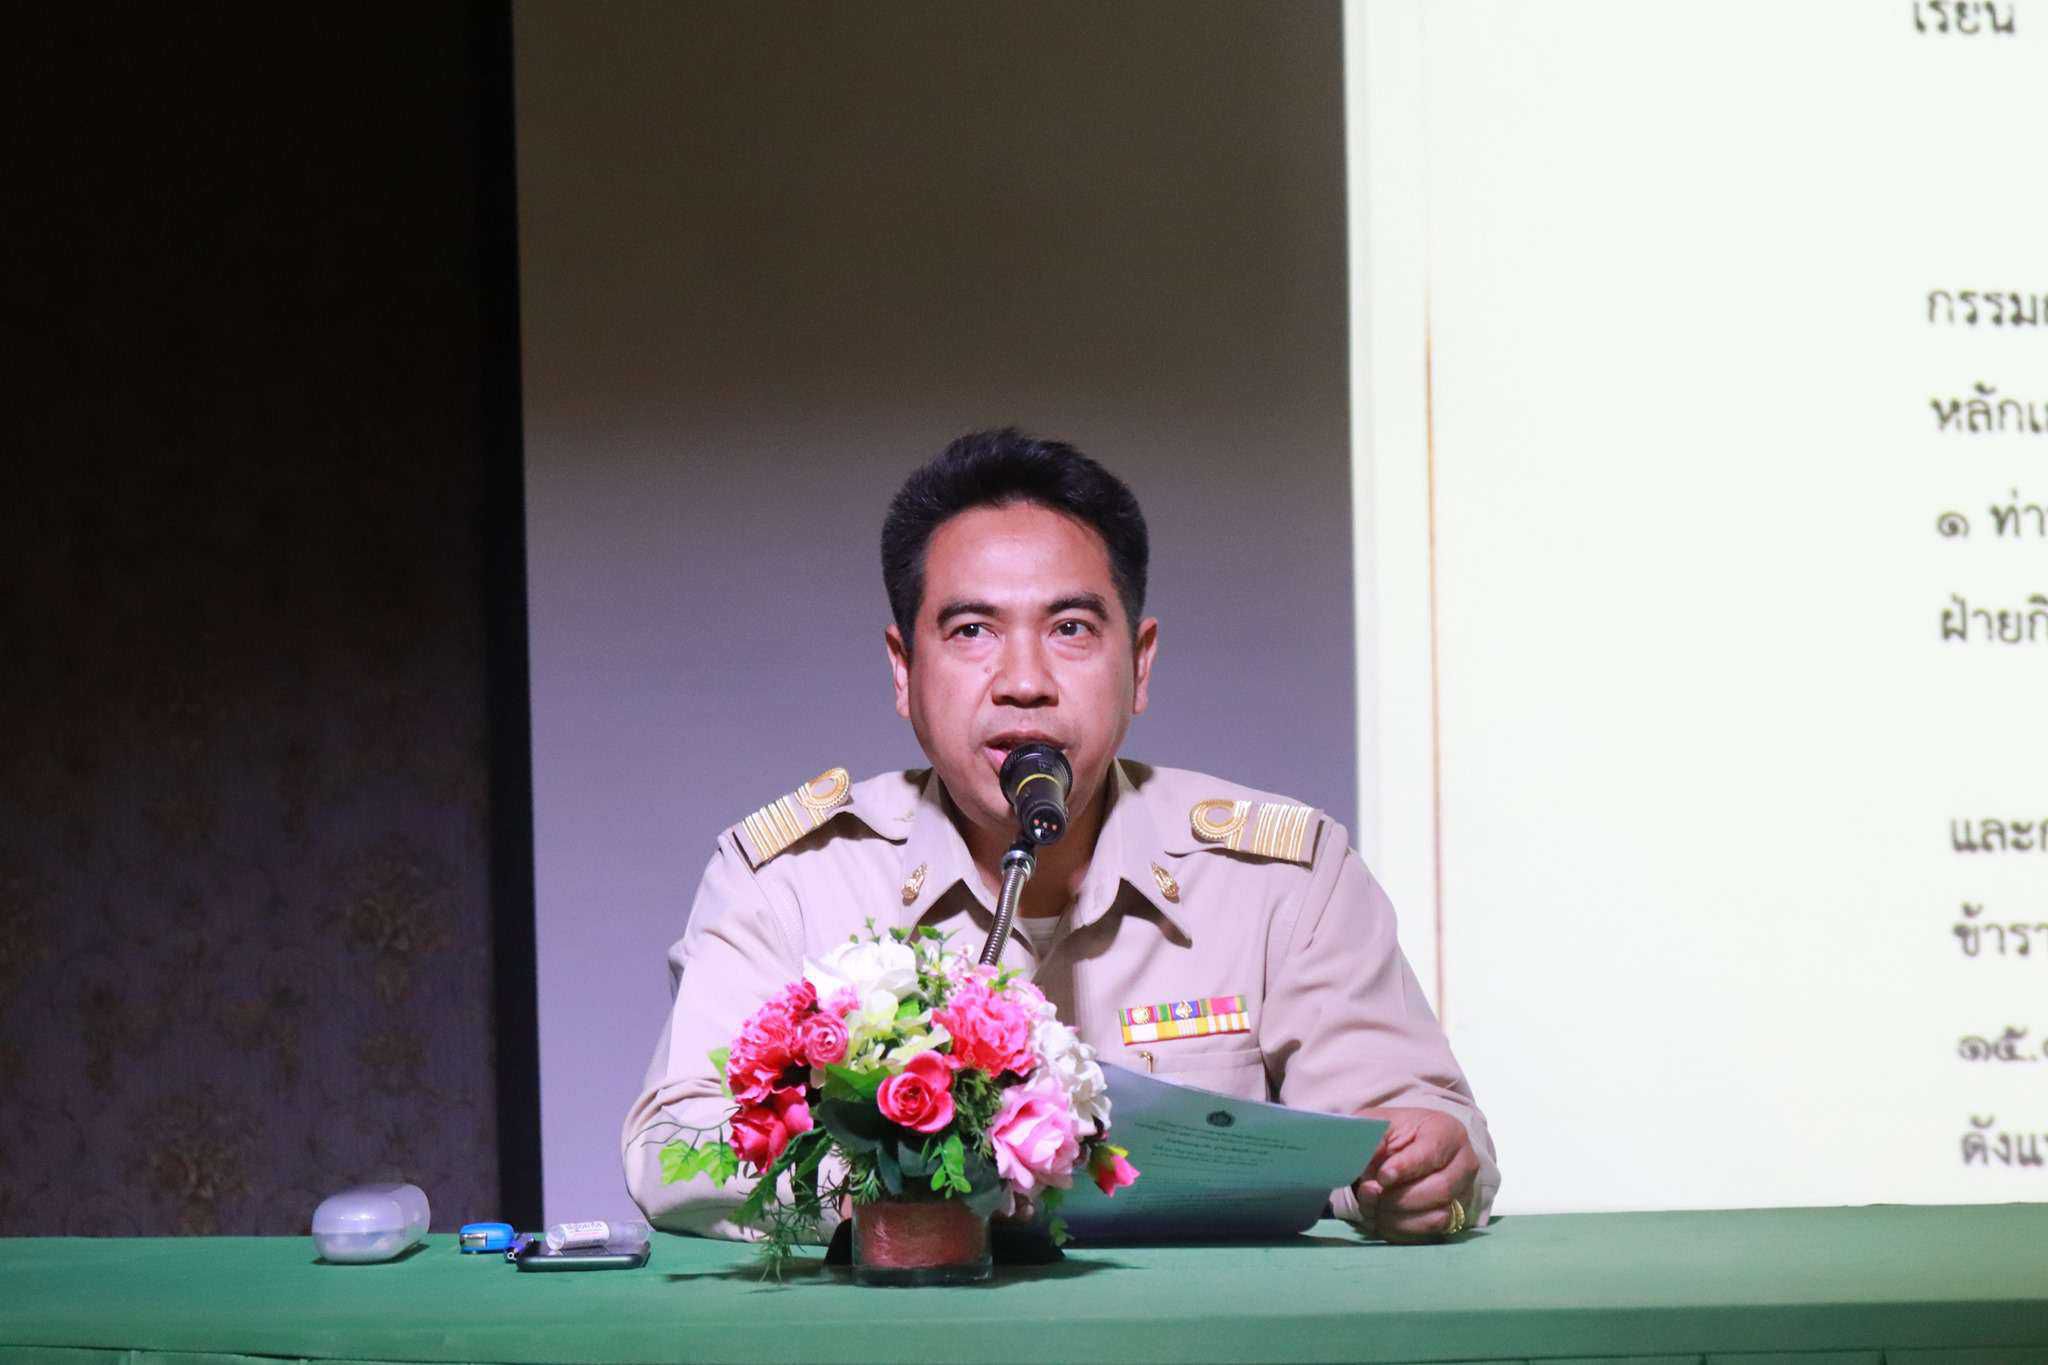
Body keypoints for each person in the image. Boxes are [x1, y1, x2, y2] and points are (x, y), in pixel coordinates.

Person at [622, 428, 1498, 1243]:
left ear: (1139, 664)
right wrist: (895, 1182)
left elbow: (1413, 1123)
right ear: (904, 669)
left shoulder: (1283, 880)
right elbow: (679, 1143)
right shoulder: (789, 880)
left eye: (1071, 629)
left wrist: (1423, 1167)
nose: (1025, 681)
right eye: (972, 631)